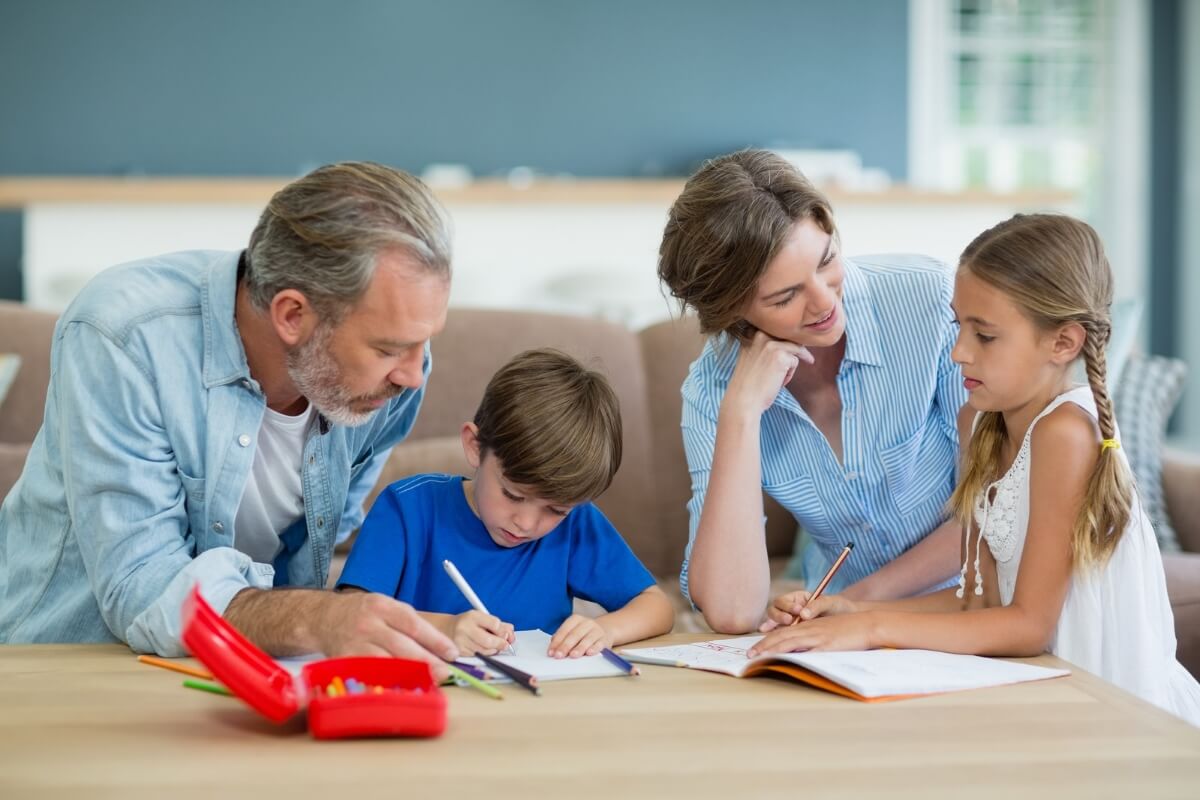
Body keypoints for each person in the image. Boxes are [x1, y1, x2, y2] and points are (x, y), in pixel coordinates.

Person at [0, 162, 461, 675]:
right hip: (65, 664)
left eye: (426, 342)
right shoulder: (125, 336)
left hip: (242, 667)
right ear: (291, 315)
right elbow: (141, 584)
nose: (416, 375)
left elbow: (322, 541)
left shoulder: (390, 381)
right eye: (390, 348)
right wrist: (319, 618)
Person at [751, 214, 1200, 725]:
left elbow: (1028, 625)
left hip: (1109, 707)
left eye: (984, 336)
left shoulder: (1065, 434)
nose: (959, 351)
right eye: (956, 326)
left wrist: (872, 629)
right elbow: (979, 597)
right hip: (1045, 691)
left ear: (1063, 343)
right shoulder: (986, 422)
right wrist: (849, 613)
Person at [657, 149, 967, 633]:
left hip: (971, 610)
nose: (825, 302)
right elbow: (732, 610)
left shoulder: (930, 301)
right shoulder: (711, 390)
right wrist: (740, 413)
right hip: (849, 638)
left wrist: (855, 605)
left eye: (827, 261)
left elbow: (995, 512)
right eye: (785, 296)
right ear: (731, 311)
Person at [336, 348, 675, 658]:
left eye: (555, 509)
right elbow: (350, 613)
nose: (526, 524)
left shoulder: (576, 524)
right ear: (473, 446)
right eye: (513, 494)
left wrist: (606, 629)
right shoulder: (407, 508)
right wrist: (443, 630)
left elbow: (657, 607)